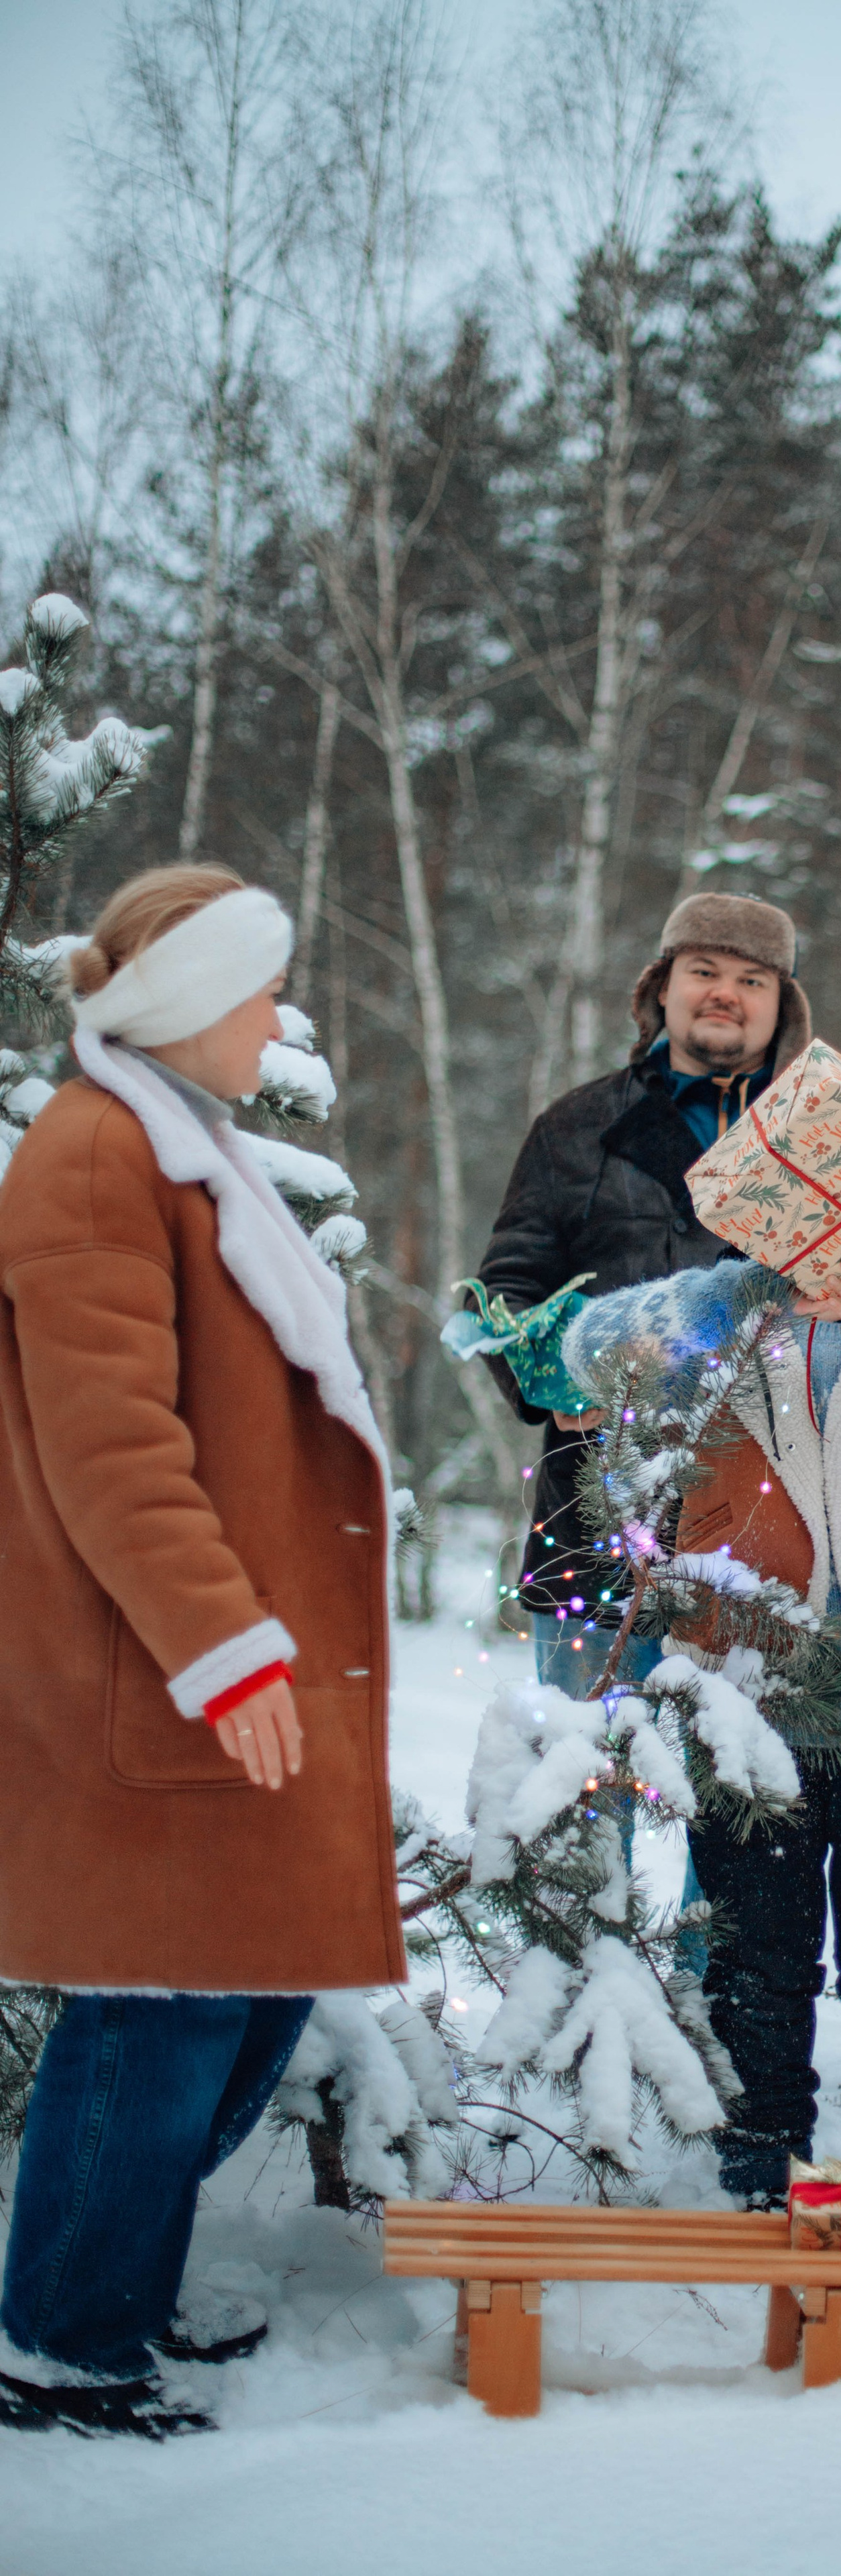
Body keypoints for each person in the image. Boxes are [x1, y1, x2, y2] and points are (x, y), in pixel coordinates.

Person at [0, 865, 402, 2438]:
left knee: (247, 1988)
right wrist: (221, 1648)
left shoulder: (183, 1150)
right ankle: (65, 2342)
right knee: (161, 2004)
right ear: (179, 1009)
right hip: (159, 1662)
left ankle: (115, 2288)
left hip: (226, 1651)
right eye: (254, 993)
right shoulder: (100, 1156)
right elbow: (112, 1447)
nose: (276, 1018)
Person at [562, 1246, 841, 2206]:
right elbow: (582, 1355)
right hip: (742, 1700)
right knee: (755, 1955)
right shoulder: (718, 1341)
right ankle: (761, 2157)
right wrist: (737, 1292)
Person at [477, 892, 813, 1693]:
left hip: (770, 1541)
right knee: (587, 1796)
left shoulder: (820, 1136)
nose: (725, 991)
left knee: (751, 1806)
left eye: (753, 979)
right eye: (703, 970)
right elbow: (504, 1290)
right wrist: (550, 1381)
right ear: (661, 987)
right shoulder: (577, 1127)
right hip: (595, 1523)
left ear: (781, 1008)